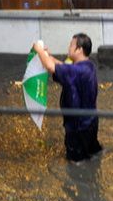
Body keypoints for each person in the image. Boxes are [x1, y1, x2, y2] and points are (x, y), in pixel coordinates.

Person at [32, 34, 102, 162]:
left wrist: (39, 50)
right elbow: (64, 67)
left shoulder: (76, 71)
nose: (68, 48)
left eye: (71, 45)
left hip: (77, 128)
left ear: (79, 49)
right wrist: (48, 56)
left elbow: (50, 67)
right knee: (94, 153)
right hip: (91, 122)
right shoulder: (89, 66)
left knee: (76, 162)